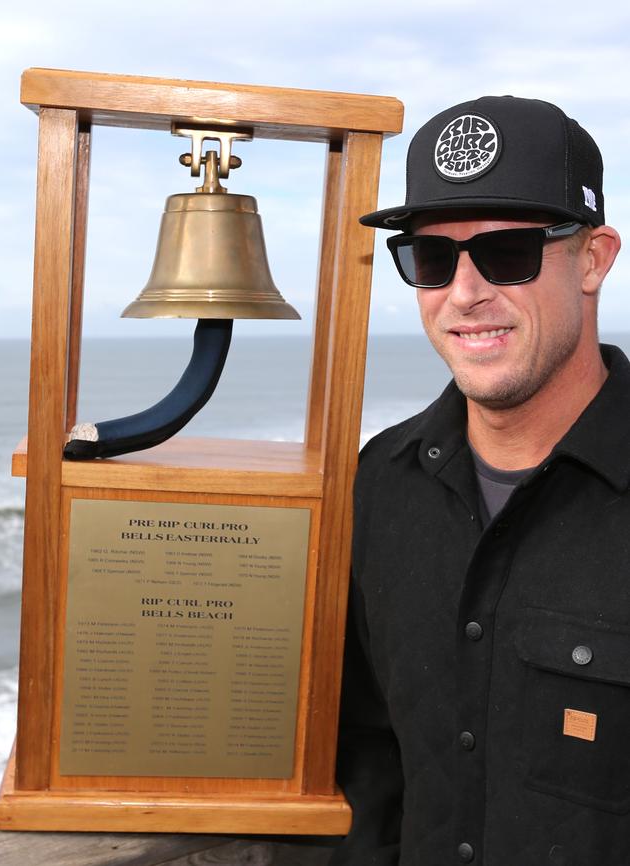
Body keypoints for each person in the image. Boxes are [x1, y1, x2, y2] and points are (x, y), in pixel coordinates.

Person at [330, 96, 627, 866]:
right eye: (432, 258)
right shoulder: (380, 488)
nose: (464, 293)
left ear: (593, 258)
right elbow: (367, 750)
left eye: (508, 253)